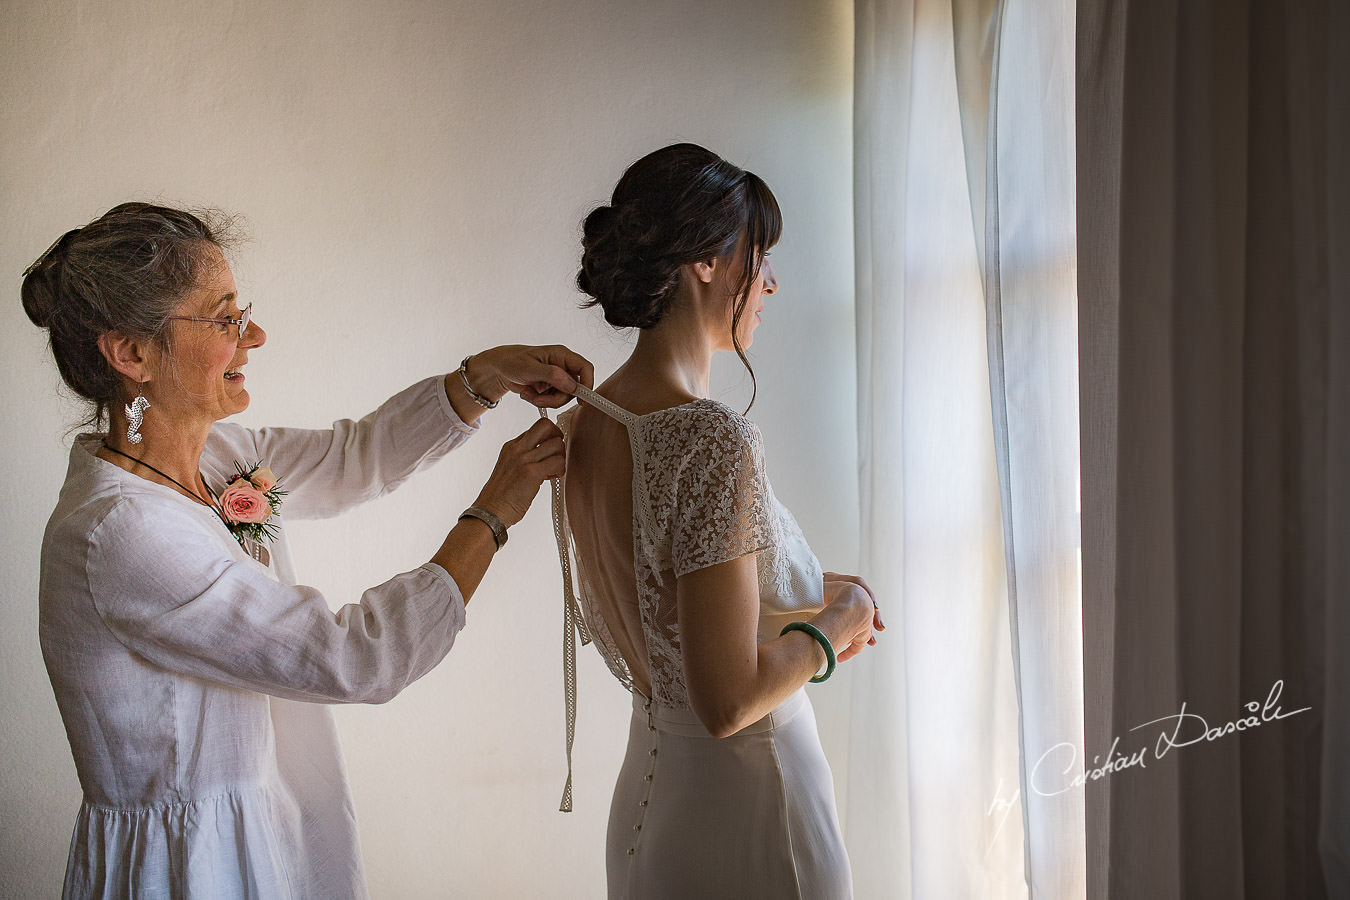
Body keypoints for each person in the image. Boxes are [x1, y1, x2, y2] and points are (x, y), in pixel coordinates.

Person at [22, 202, 593, 899]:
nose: (255, 334)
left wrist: (487, 375)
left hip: (265, 829)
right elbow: (356, 656)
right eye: (225, 318)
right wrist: (495, 512)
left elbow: (357, 456)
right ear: (132, 353)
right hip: (185, 870)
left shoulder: (218, 457)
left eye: (245, 311)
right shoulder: (119, 535)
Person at [553, 144, 883, 899]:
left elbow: (673, 593)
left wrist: (815, 594)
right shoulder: (708, 436)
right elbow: (728, 699)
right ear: (705, 260)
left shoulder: (591, 424)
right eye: (758, 255)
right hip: (751, 808)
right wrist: (843, 620)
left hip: (650, 800)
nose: (770, 281)